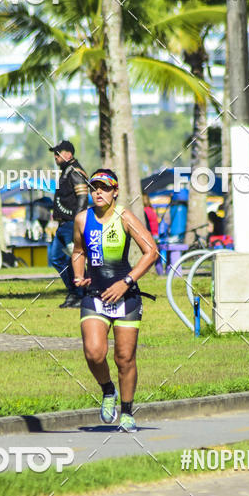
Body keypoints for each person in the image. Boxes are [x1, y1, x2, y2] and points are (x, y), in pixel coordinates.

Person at [72, 169, 158, 431]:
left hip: (126, 296)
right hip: (95, 296)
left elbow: (151, 251)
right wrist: (78, 276)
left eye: (104, 188)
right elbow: (78, 251)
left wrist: (126, 282)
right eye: (94, 187)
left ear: (115, 192)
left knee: (124, 357)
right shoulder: (82, 219)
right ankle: (108, 390)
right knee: (94, 353)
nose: (98, 192)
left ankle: (128, 412)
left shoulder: (125, 216)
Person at [48, 140, 89, 308]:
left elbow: (83, 198)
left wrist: (78, 222)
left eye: (59, 153)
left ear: (69, 154)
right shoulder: (65, 171)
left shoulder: (75, 172)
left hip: (72, 223)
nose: (55, 156)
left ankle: (82, 294)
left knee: (76, 259)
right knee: (55, 257)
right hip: (63, 225)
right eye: (55, 153)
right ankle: (73, 292)